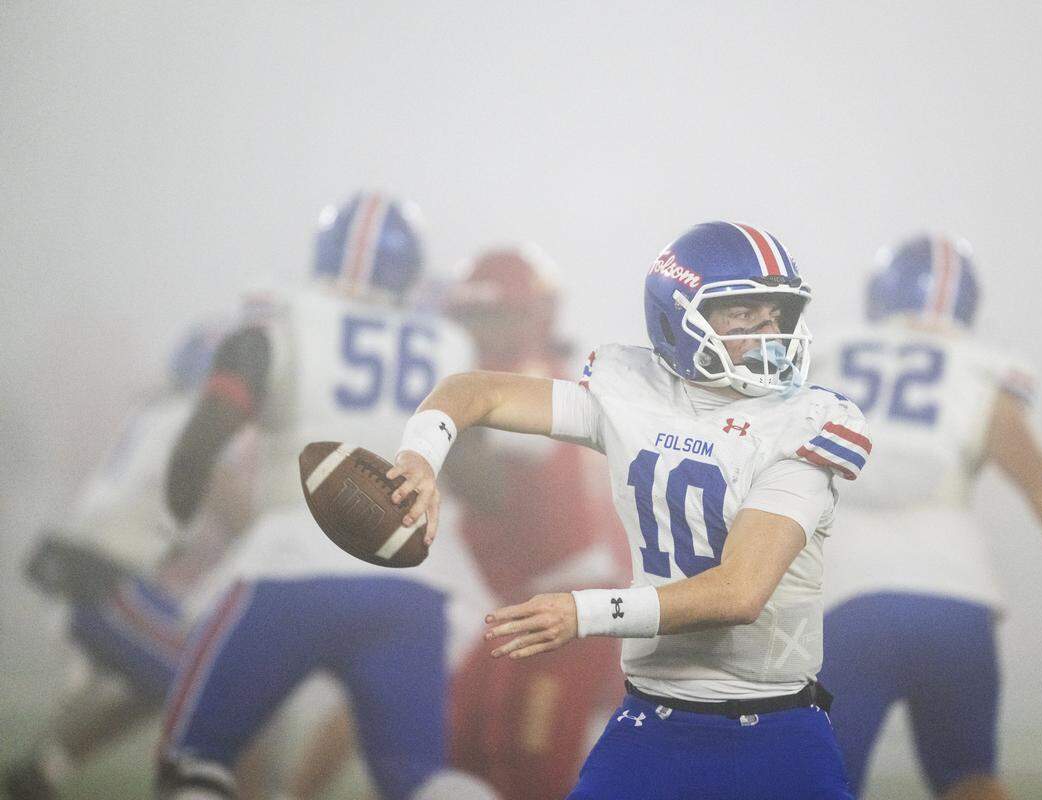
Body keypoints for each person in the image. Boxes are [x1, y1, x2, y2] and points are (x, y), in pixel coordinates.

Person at [387, 221, 871, 800]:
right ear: (677, 318)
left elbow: (740, 593)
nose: (769, 334)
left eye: (776, 315)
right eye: (742, 315)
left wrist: (581, 612)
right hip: (652, 720)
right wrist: (420, 454)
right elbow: (474, 391)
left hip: (777, 727)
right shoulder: (631, 396)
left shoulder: (806, 424)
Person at [155, 191, 495, 800]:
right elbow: (476, 480)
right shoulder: (446, 343)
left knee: (194, 762)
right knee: (420, 781)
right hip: (410, 585)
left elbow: (200, 440)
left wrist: (177, 518)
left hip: (289, 567)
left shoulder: (279, 318)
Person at [810, 234, 1042, 800]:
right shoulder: (980, 370)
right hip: (956, 596)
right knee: (969, 776)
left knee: (818, 777)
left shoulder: (826, 353)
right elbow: (1041, 479)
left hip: (848, 595)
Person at [281, 245, 630, 800]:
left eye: (496, 314)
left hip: (567, 614)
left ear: (536, 316)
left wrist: (427, 426)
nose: (480, 329)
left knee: (528, 778)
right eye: (472, 316)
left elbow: (490, 489)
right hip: (517, 609)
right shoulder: (514, 376)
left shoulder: (531, 381)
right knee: (454, 761)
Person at [4, 323, 266, 800]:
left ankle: (41, 774)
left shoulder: (157, 414)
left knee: (158, 683)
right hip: (107, 585)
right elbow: (238, 513)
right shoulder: (196, 420)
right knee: (227, 684)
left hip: (92, 577)